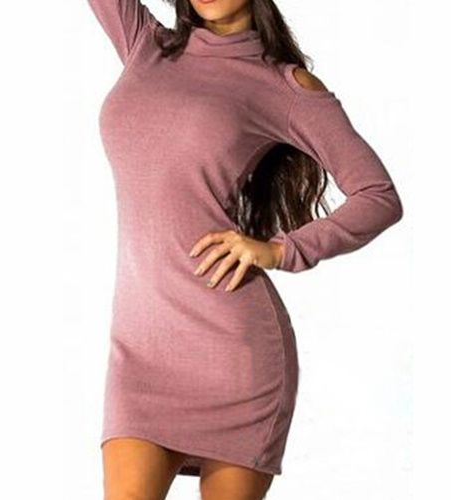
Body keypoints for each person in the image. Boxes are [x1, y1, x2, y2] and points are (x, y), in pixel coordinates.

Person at [85, 1, 404, 499]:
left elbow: (378, 196)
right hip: (140, 351)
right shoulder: (147, 46)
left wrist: (281, 250)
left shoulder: (283, 85)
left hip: (232, 355)